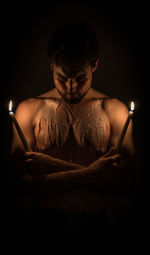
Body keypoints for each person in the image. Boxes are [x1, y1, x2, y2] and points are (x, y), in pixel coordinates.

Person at [10, 22, 135, 243]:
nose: (70, 88)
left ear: (94, 65)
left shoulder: (114, 110)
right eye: (62, 77)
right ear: (51, 65)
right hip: (42, 227)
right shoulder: (29, 110)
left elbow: (125, 185)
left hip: (95, 228)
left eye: (80, 78)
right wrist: (95, 172)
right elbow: (19, 184)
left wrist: (53, 166)